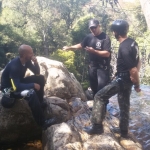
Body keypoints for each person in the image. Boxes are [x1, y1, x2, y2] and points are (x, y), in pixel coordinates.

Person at [83, 19, 141, 138]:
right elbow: (138, 61)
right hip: (128, 79)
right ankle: (123, 131)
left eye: (114, 31)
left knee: (99, 96)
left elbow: (133, 69)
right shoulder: (133, 43)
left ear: (116, 32)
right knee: (124, 104)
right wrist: (134, 79)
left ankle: (97, 126)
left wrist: (137, 84)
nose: (113, 33)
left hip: (123, 79)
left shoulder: (124, 47)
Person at [0, 44, 59, 130]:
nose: (33, 54)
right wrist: (32, 85)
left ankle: (40, 103)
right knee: (31, 93)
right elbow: (16, 87)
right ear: (24, 55)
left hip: (18, 82)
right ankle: (43, 123)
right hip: (10, 90)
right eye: (31, 53)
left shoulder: (26, 61)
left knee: (40, 78)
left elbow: (37, 73)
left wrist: (35, 63)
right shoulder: (14, 65)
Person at [63, 19, 111, 98]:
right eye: (91, 28)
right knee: (94, 90)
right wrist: (70, 47)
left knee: (102, 91)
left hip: (102, 68)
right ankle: (96, 108)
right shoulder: (89, 37)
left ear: (99, 26)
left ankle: (103, 109)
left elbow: (107, 54)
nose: (93, 30)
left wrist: (94, 51)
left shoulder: (105, 38)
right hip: (92, 67)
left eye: (95, 27)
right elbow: (81, 45)